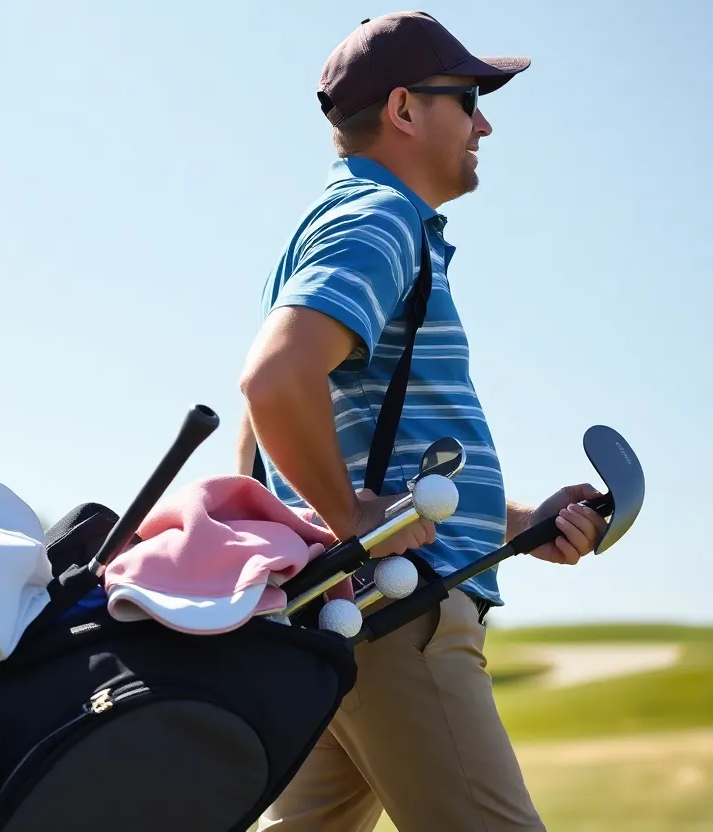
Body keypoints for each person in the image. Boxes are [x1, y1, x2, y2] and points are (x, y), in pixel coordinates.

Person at [237, 12, 608, 832]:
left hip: (349, 613)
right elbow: (273, 381)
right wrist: (354, 521)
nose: (484, 122)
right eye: (467, 98)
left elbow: (318, 420)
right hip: (398, 614)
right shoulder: (380, 218)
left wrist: (514, 523)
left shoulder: (360, 218)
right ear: (405, 109)